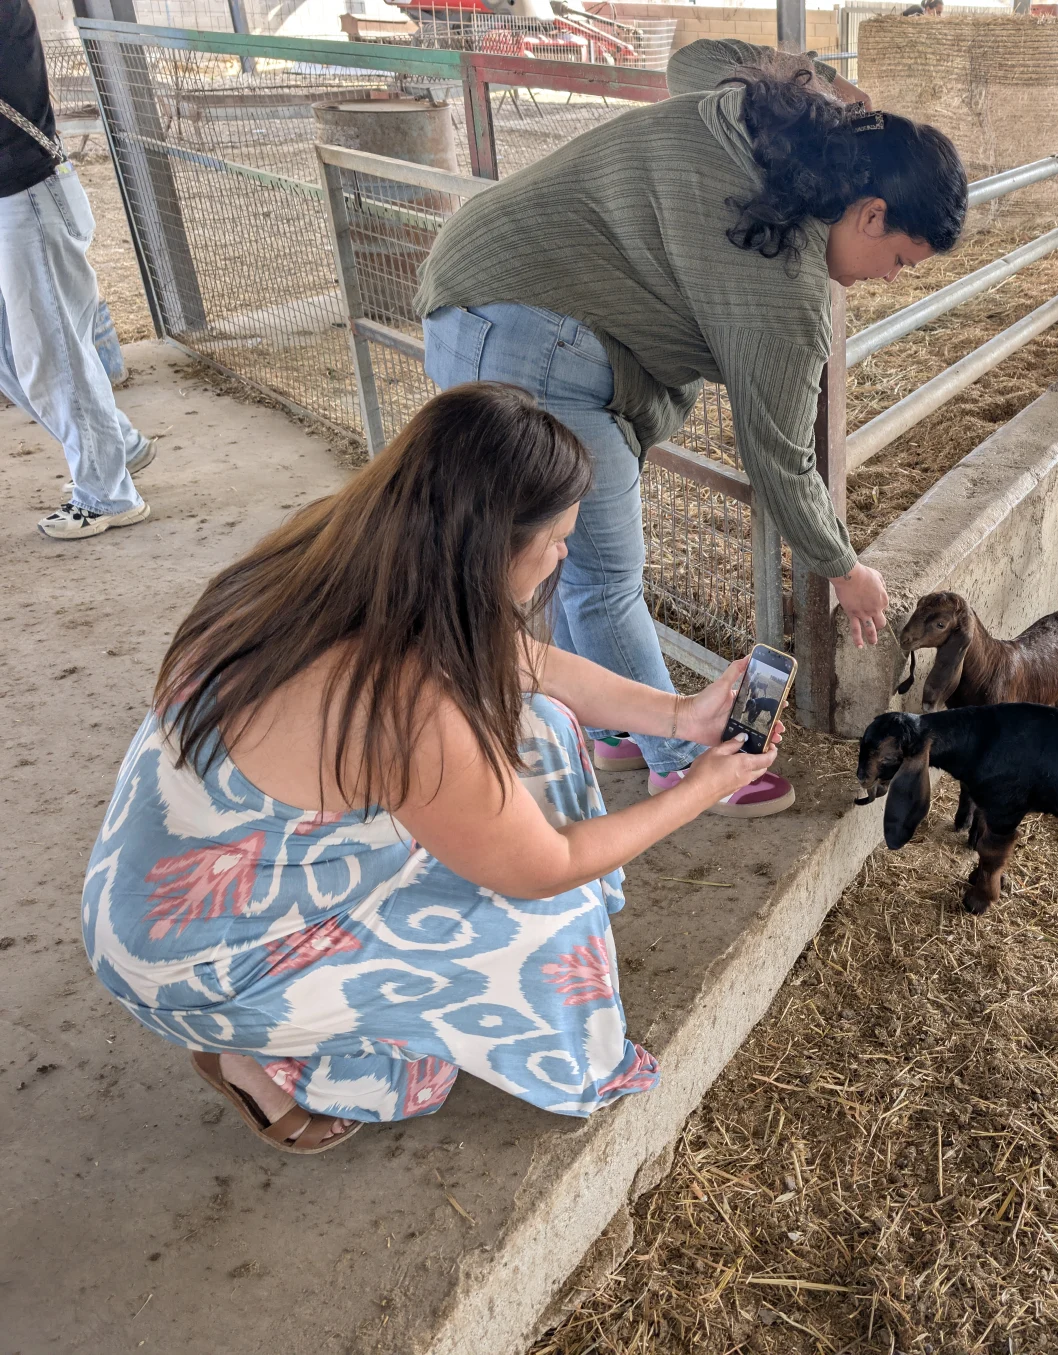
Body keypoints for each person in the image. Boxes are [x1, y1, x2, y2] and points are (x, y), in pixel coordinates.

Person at [82, 383, 783, 1153]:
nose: (563, 555)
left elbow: (524, 664)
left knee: (538, 725)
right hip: (203, 955)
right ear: (488, 554)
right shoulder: (409, 704)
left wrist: (681, 716)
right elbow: (550, 867)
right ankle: (256, 1053)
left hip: (174, 880)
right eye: (554, 541)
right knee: (516, 956)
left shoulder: (347, 546)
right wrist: (700, 786)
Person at [416, 40, 966, 817]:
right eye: (901, 260)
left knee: (561, 559)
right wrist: (844, 568)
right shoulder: (788, 291)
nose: (887, 280)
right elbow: (778, 455)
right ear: (871, 213)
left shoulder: (764, 119)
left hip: (473, 296)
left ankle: (612, 727)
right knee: (606, 575)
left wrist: (842, 100)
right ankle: (683, 762)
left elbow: (697, 57)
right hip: (531, 336)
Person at [1, 0, 155, 540]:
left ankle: (108, 494)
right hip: (9, 203)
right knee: (11, 356)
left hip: (24, 195)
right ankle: (120, 443)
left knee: (54, 353)